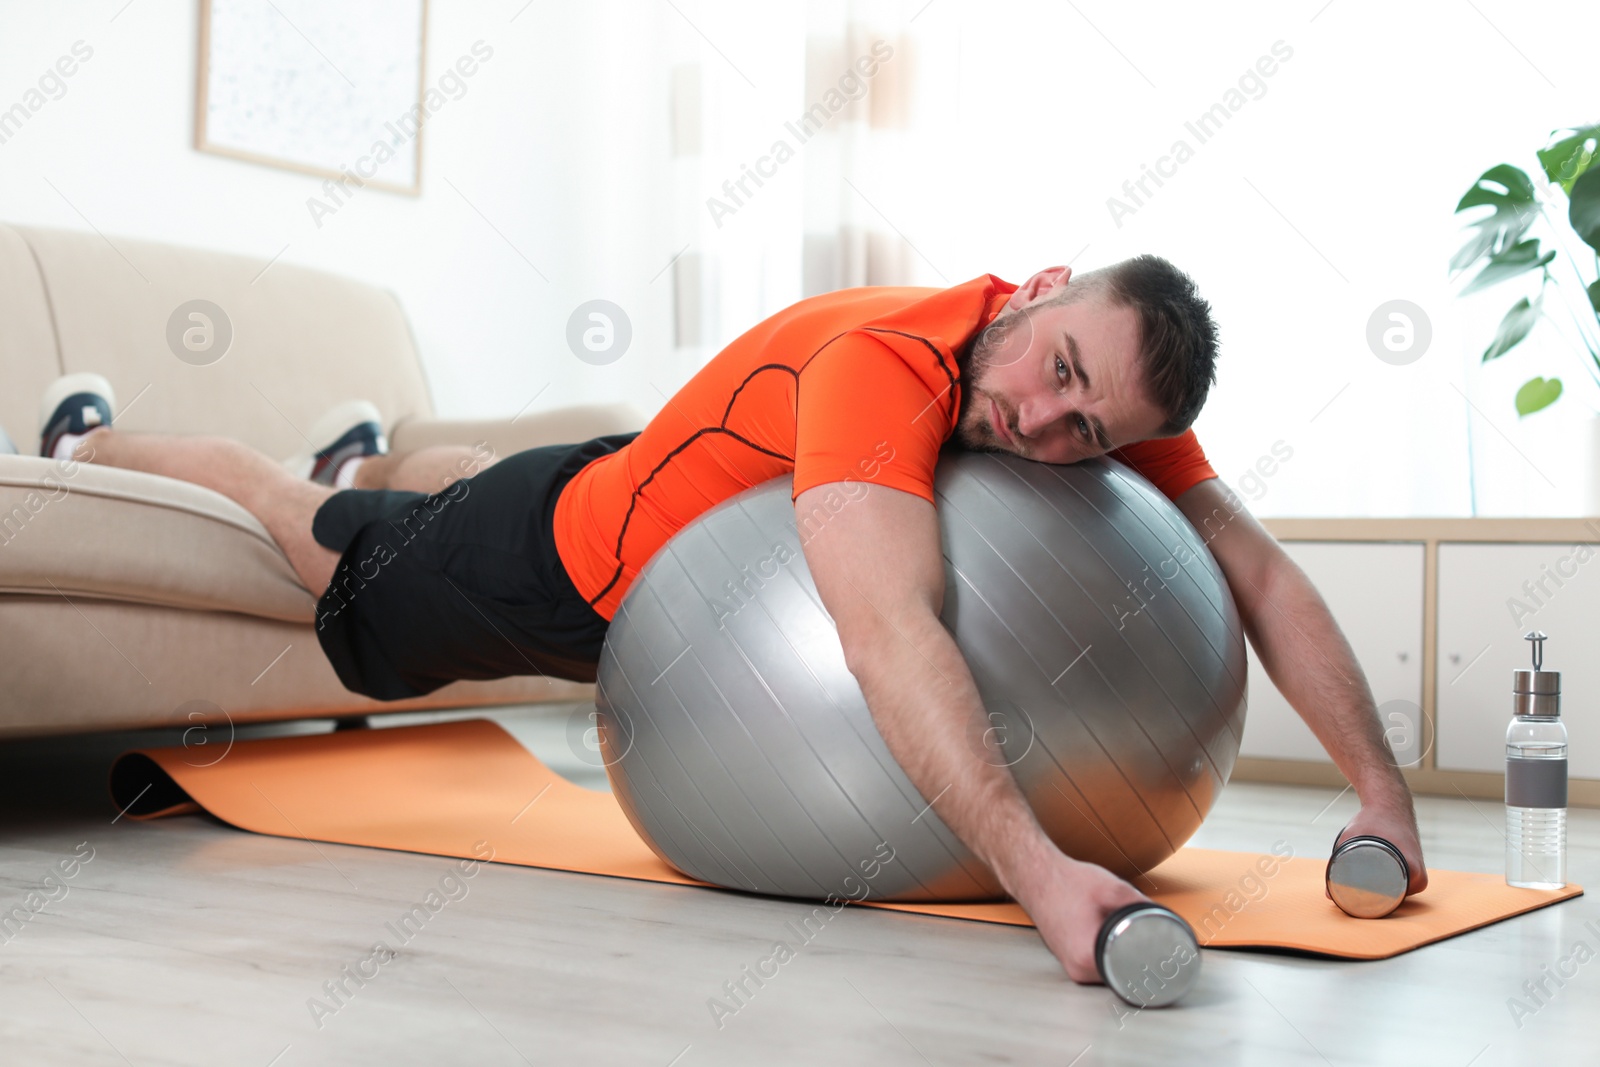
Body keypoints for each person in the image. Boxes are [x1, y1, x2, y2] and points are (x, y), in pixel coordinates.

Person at [41, 255, 1427, 985]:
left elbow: (1252, 569)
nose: (1047, 425)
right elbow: (888, 632)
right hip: (560, 575)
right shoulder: (884, 369)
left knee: (448, 493)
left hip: (641, 504)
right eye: (1058, 375)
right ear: (1043, 293)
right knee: (319, 553)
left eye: (1090, 431)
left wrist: (1381, 795)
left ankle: (372, 472)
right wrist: (1041, 876)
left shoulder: (1079, 380)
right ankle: (106, 441)